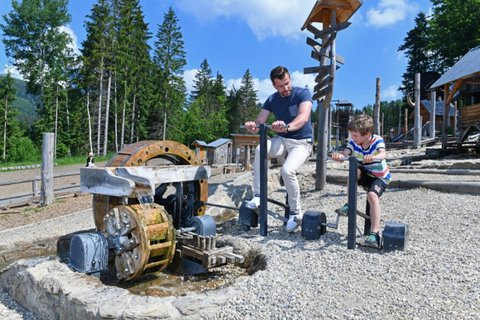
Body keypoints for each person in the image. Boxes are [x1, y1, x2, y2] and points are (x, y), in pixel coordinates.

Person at [244, 66, 313, 233]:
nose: (286, 88)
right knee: (261, 149)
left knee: (287, 170)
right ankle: (259, 196)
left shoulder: (303, 93)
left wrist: (287, 127)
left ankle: (296, 214)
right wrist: (253, 126)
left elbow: (303, 118)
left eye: (287, 83)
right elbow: (261, 120)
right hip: (282, 139)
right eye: (281, 86)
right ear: (275, 86)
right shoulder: (272, 99)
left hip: (302, 142)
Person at [331, 114, 392, 248]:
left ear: (368, 134)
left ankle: (374, 233)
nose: (353, 138)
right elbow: (346, 152)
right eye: (352, 135)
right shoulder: (353, 143)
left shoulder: (376, 140)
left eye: (356, 136)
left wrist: (374, 156)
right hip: (365, 174)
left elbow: (383, 153)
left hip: (380, 177)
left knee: (372, 196)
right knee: (354, 171)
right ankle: (349, 204)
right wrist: (340, 156)